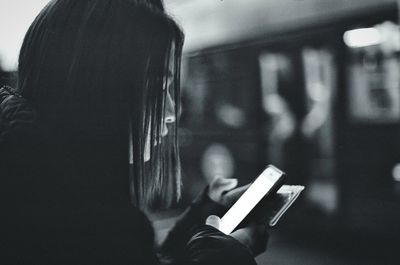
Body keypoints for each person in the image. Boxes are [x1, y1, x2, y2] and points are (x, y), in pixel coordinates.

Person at [0, 0, 268, 264]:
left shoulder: (46, 184)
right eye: (158, 90)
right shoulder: (59, 212)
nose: (172, 111)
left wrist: (203, 216)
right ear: (96, 90)